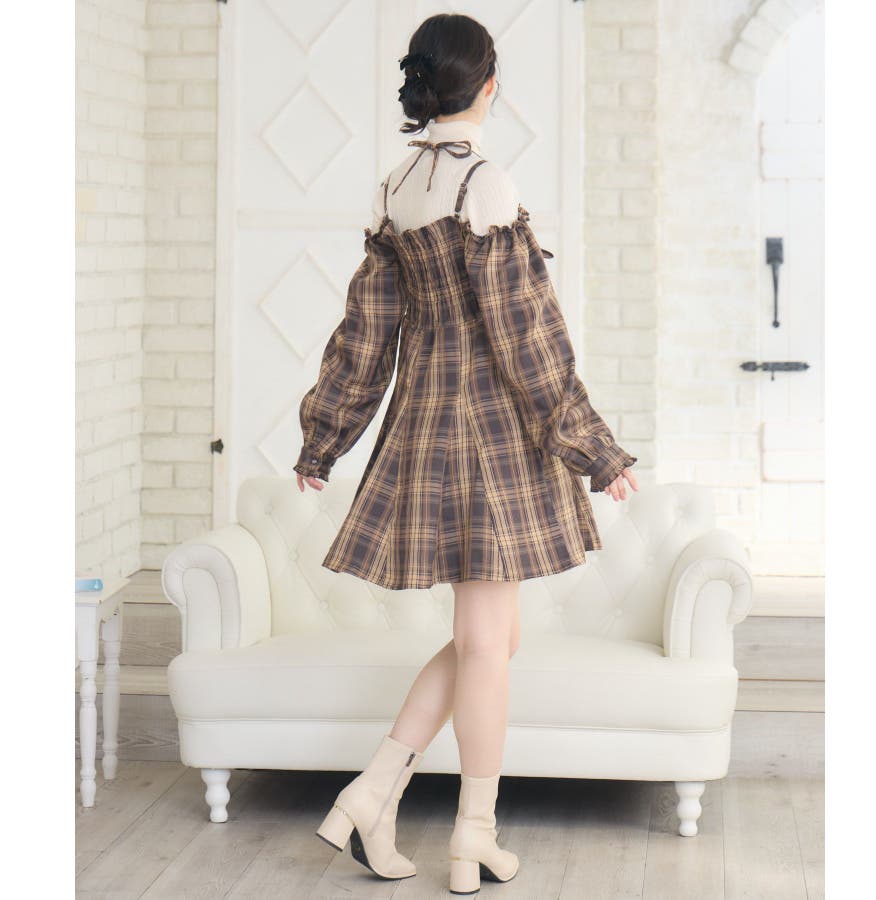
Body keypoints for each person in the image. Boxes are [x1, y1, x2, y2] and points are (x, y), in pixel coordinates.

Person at [293, 12, 639, 895]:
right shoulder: (484, 182)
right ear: (488, 84)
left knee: (493, 636)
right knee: (487, 643)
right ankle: (471, 835)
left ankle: (373, 794)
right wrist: (596, 450)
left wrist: (324, 437)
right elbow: (530, 339)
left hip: (423, 428)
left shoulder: (397, 184)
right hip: (491, 434)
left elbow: (364, 334)